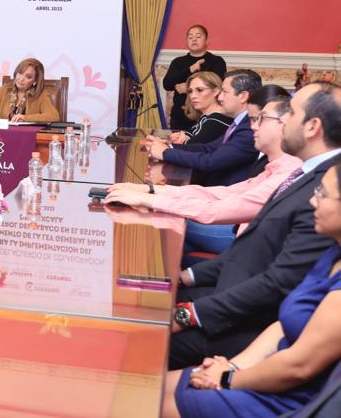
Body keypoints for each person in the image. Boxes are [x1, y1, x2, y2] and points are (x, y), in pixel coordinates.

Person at [166, 82, 341, 370]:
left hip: (249, 323)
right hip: (233, 295)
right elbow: (252, 248)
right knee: (150, 302)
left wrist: (191, 314)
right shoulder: (307, 171)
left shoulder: (329, 184)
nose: (284, 121)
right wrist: (184, 279)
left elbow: (280, 281)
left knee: (143, 338)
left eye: (291, 113)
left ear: (312, 127)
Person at [163, 157, 341, 418]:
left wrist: (228, 379)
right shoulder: (331, 253)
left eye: (323, 195)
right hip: (263, 372)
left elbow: (299, 367)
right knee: (148, 386)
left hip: (289, 399)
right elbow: (281, 326)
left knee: (142, 401)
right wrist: (234, 367)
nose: (313, 201)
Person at [105, 93, 301, 236]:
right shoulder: (278, 164)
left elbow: (215, 208)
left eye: (262, 119)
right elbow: (221, 193)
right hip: (235, 229)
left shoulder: (290, 171)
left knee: (162, 222)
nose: (254, 126)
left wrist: (149, 199)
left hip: (239, 238)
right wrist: (148, 190)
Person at [146, 69, 262, 187]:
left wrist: (165, 153)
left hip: (223, 192)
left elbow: (210, 162)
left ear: (243, 96)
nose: (220, 98)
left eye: (225, 92)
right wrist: (169, 147)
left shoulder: (250, 129)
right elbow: (207, 148)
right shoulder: (240, 123)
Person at [164, 25, 228, 131]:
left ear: (206, 40)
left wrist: (187, 88)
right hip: (180, 115)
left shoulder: (217, 61)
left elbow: (217, 84)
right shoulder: (178, 62)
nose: (194, 39)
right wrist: (190, 70)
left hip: (207, 115)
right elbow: (167, 84)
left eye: (198, 36)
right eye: (190, 37)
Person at [0, 57, 60, 122]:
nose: (21, 79)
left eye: (28, 77)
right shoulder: (5, 90)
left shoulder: (40, 95)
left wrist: (25, 118)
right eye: (20, 73)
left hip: (27, 136)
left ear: (35, 81)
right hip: (3, 135)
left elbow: (53, 116)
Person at [167, 72, 233, 145]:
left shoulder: (217, 120)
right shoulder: (207, 117)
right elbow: (191, 135)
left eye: (200, 90)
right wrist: (182, 136)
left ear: (215, 91)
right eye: (190, 91)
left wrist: (182, 141)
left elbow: (192, 147)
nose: (192, 96)